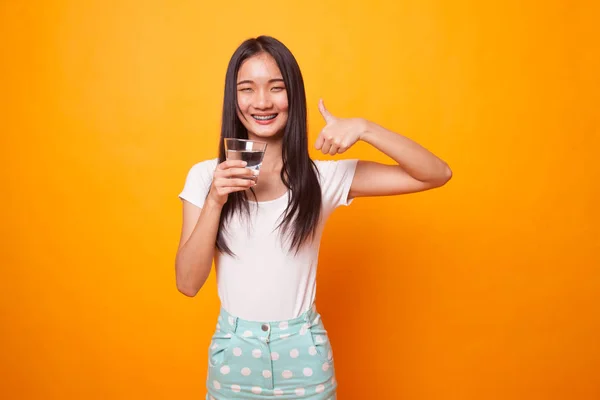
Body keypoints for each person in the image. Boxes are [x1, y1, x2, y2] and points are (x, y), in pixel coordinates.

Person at [175, 35, 452, 400]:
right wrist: (214, 200)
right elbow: (188, 283)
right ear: (234, 98)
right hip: (233, 354)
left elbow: (435, 174)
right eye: (248, 89)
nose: (262, 102)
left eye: (276, 88)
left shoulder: (322, 179)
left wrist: (366, 128)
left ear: (294, 97)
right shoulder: (204, 176)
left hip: (303, 355)